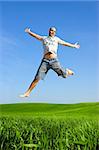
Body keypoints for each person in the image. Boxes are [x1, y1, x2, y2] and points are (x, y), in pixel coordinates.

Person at [20, 27, 80, 97]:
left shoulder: (56, 39)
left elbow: (65, 43)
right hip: (45, 61)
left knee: (64, 75)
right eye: (51, 30)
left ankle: (67, 71)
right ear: (49, 31)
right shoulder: (44, 38)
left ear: (55, 32)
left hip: (54, 61)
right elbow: (36, 36)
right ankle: (28, 93)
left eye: (54, 31)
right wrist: (29, 32)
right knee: (37, 77)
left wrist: (73, 46)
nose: (52, 32)